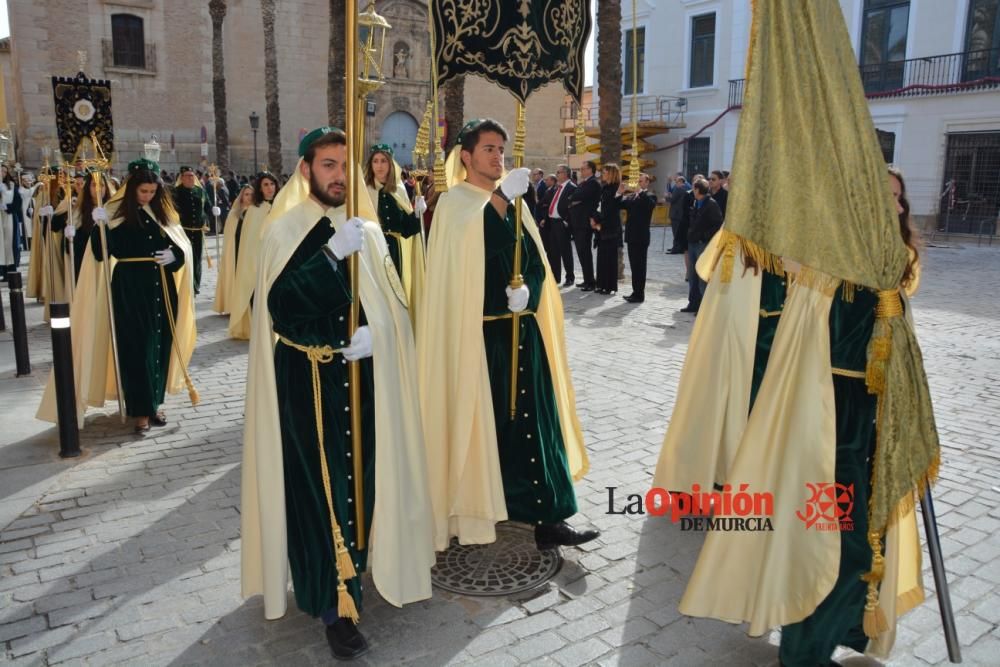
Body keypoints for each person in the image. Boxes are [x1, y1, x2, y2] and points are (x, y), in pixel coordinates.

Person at [654, 4, 937, 664]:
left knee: (861, 537)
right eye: (879, 195)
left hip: (872, 422)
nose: (889, 204)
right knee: (823, 526)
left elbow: (902, 341)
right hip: (823, 421)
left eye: (895, 198)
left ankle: (851, 627)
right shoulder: (828, 260)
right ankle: (806, 639)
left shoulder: (898, 269)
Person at [240, 126, 433, 660]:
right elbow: (279, 308)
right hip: (306, 383)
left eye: (344, 166)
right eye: (328, 165)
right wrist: (328, 258)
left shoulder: (366, 230)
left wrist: (379, 337)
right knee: (317, 492)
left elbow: (391, 309)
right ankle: (332, 604)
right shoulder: (284, 230)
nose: (338, 175)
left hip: (361, 383)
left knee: (361, 481)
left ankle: (366, 566)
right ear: (306, 171)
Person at [418, 118, 598, 552]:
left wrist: (529, 292)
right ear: (466, 156)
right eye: (488, 150)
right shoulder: (454, 204)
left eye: (501, 149)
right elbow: (475, 245)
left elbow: (536, 263)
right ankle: (482, 507)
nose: (498, 156)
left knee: (537, 424)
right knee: (488, 427)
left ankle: (549, 518)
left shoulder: (515, 203)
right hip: (481, 339)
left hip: (523, 333)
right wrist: (499, 199)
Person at [37, 159, 197, 433]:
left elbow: (181, 245)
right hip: (130, 287)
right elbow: (101, 254)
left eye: (152, 192)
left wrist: (176, 255)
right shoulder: (114, 213)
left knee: (160, 346)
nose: (147, 196)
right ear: (132, 188)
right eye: (143, 191)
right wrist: (100, 229)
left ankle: (155, 404)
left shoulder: (163, 213)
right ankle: (140, 411)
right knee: (137, 348)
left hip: (162, 287)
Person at [363, 144, 426, 321]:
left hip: (394, 252)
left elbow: (407, 230)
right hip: (372, 249)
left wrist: (418, 214)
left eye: (384, 161)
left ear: (391, 165)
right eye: (375, 161)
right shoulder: (364, 191)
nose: (379, 165)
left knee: (395, 295)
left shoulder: (398, 191)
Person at [228, 171, 280, 339]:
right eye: (265, 185)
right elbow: (249, 242)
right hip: (258, 262)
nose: (270, 188)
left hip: (279, 260)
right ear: (260, 188)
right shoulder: (254, 210)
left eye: (272, 184)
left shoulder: (282, 206)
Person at [173, 166, 217, 295]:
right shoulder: (176, 192)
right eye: (187, 176)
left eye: (192, 176)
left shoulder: (200, 191)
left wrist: (213, 210)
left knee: (197, 259)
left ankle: (195, 284)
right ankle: (184, 283)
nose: (191, 178)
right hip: (183, 231)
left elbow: (207, 206)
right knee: (184, 257)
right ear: (182, 178)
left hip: (198, 231)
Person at [681, 179, 722, 314]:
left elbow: (717, 225)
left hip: (702, 244)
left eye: (693, 188)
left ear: (698, 190)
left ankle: (704, 308)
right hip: (692, 243)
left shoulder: (711, 204)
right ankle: (693, 303)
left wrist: (703, 236)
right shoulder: (695, 202)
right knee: (692, 275)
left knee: (702, 276)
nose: (692, 191)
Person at [213, 185, 254, 316]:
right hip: (236, 249)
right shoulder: (234, 213)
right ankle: (233, 304)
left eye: (251, 194)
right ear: (242, 196)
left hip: (250, 250)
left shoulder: (256, 212)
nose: (249, 197)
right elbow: (230, 235)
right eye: (246, 194)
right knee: (235, 275)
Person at [621, 173, 657, 303]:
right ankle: (635, 291)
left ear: (647, 183)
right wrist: (620, 192)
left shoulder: (650, 195)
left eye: (641, 181)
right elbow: (620, 204)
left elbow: (649, 205)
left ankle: (639, 294)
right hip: (631, 236)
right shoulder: (632, 197)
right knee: (634, 265)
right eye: (638, 181)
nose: (639, 184)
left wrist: (640, 192)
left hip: (641, 237)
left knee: (640, 266)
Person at [568, 160, 601, 291]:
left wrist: (575, 199)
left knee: (585, 252)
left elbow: (577, 195)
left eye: (583, 169)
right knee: (581, 252)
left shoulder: (593, 183)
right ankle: (587, 279)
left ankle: (590, 282)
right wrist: (574, 200)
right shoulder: (584, 183)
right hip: (578, 222)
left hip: (584, 223)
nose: (581, 171)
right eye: (581, 169)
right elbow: (572, 197)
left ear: (590, 170)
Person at [591, 164, 622, 295]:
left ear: (611, 173)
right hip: (601, 225)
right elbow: (599, 206)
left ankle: (609, 286)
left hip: (610, 227)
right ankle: (601, 284)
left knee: (610, 258)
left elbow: (611, 209)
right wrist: (594, 219)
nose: (602, 174)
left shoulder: (616, 188)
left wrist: (601, 224)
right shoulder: (605, 188)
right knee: (602, 257)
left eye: (604, 172)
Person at [544, 165, 576, 287]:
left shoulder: (571, 187)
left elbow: (572, 206)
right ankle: (555, 277)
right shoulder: (558, 187)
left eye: (559, 172)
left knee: (565, 251)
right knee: (554, 252)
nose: (556, 174)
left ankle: (570, 277)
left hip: (562, 223)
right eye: (556, 172)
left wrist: (566, 220)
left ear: (566, 174)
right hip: (553, 222)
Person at [667, 174, 690, 254]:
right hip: (681, 213)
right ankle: (678, 247)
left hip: (676, 213)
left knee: (675, 232)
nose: (676, 183)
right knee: (679, 232)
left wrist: (666, 197)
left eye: (676, 182)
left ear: (680, 181)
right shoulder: (686, 188)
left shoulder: (678, 188)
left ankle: (676, 248)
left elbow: (673, 199)